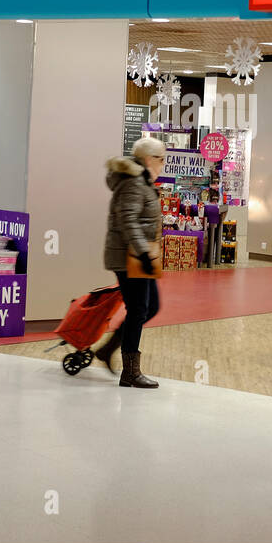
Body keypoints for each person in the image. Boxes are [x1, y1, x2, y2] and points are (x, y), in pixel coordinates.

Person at [98, 136, 166, 388]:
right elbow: (129, 221)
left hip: (136, 256)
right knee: (139, 309)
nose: (163, 164)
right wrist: (144, 254)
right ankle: (130, 372)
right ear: (149, 159)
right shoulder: (135, 183)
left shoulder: (142, 181)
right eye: (161, 159)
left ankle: (109, 349)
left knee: (149, 307)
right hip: (130, 257)